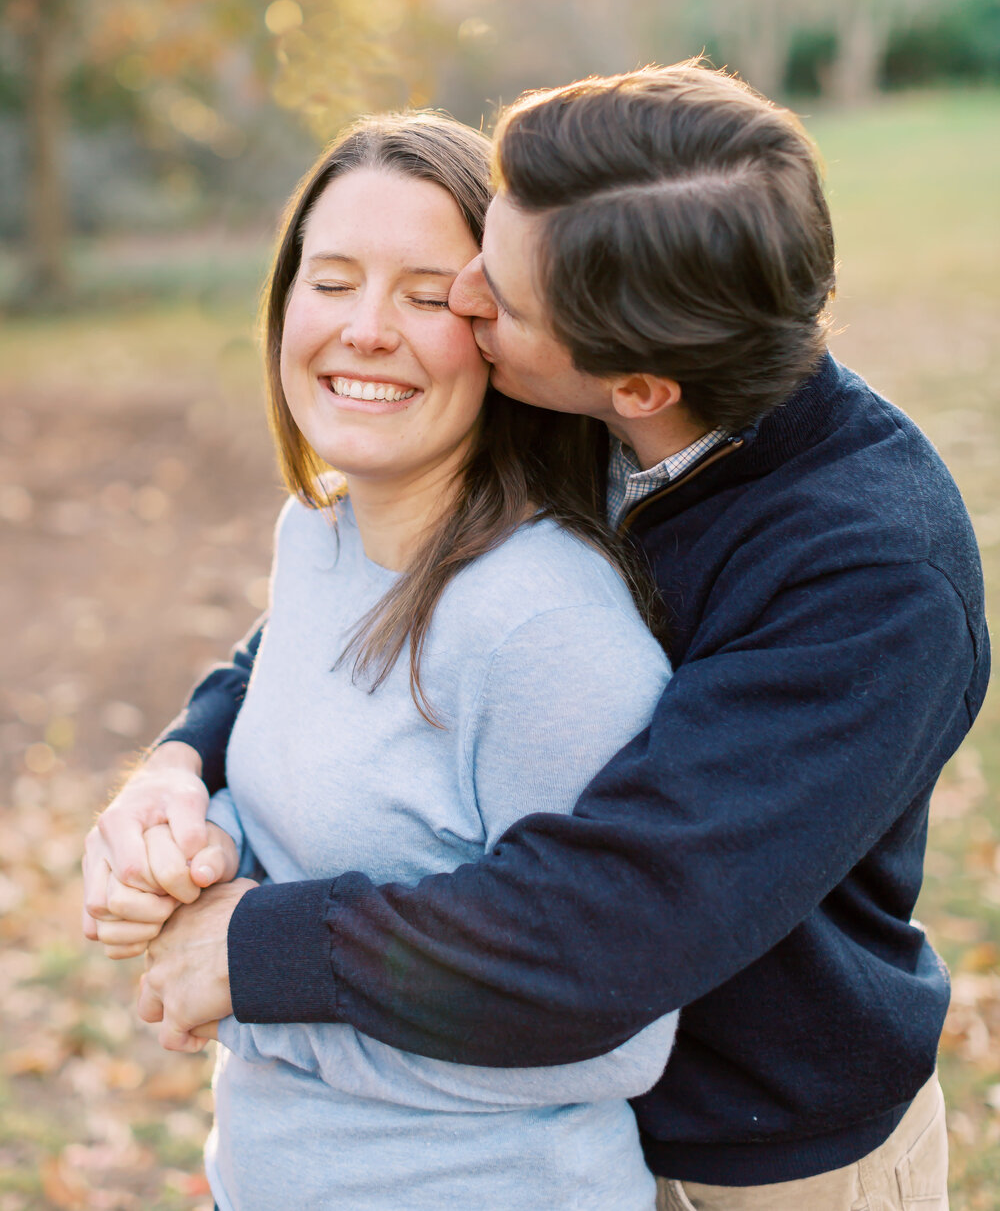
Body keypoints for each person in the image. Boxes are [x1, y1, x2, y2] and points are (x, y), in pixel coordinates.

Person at [85, 63, 989, 1211]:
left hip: (760, 1154)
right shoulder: (587, 389)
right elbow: (351, 603)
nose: (458, 297)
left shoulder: (870, 580)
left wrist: (252, 948)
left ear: (637, 383)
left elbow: (610, 922)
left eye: (494, 299)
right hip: (537, 1117)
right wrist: (182, 755)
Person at [92, 110, 680, 1211]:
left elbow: (614, 1034)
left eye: (425, 296)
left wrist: (248, 985)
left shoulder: (542, 626)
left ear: (501, 333)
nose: (365, 329)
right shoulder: (314, 534)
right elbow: (313, 798)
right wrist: (168, 835)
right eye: (331, 280)